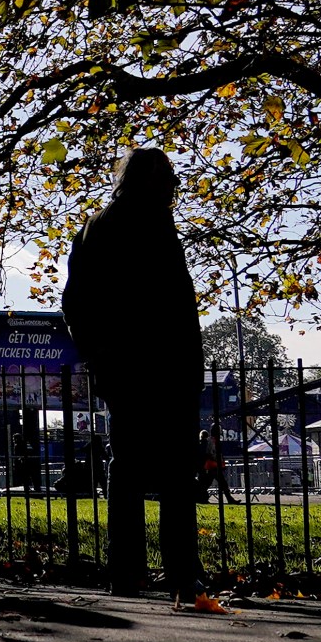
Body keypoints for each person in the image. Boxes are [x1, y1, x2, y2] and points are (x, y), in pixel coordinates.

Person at [61, 149, 206, 603]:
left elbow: (76, 303)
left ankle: (129, 570)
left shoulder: (100, 227)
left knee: (133, 468)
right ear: (146, 180)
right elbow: (173, 305)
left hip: (133, 365)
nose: (174, 186)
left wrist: (100, 352)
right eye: (167, 178)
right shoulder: (133, 226)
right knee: (171, 471)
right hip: (156, 363)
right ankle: (179, 571)